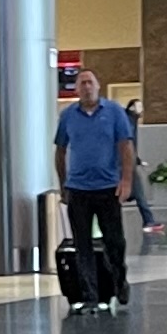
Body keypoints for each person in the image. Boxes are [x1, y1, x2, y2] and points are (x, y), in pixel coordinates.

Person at [52, 63, 149, 308]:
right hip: (79, 189)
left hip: (107, 188)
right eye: (81, 83)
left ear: (98, 87)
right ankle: (89, 296)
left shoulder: (115, 112)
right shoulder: (68, 116)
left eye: (90, 83)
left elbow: (126, 148)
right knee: (82, 245)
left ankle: (120, 281)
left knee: (114, 241)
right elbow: (61, 150)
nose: (86, 87)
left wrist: (126, 180)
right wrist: (63, 184)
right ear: (76, 89)